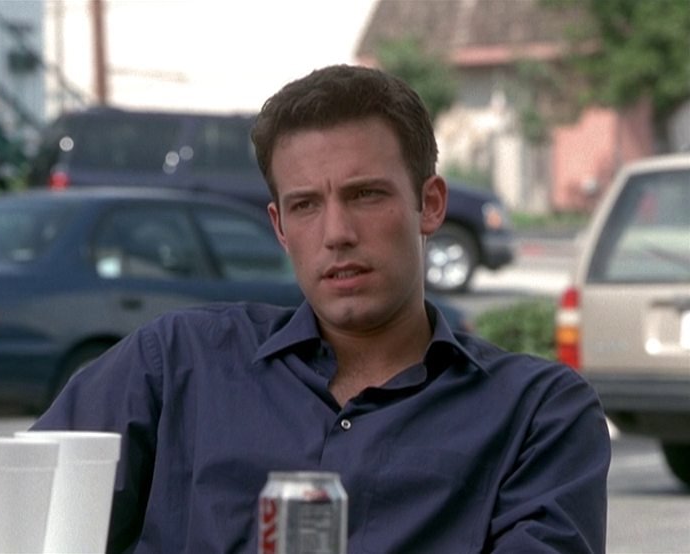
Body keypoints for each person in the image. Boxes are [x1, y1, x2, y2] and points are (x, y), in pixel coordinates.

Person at [32, 64, 611, 553]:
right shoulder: (176, 365)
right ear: (280, 227)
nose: (337, 233)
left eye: (366, 194)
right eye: (306, 205)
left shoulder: (535, 413)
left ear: (430, 204)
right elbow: (23, 518)